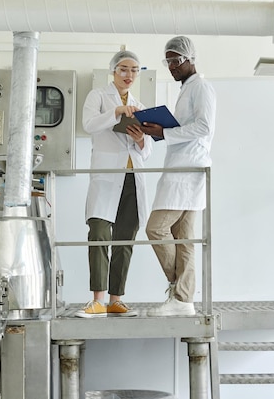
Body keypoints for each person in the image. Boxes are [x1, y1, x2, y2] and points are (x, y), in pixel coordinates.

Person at [141, 36, 216, 317]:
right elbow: (186, 128)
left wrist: (165, 133)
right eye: (168, 61)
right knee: (182, 237)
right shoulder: (187, 89)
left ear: (189, 59)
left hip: (189, 169)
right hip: (182, 168)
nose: (171, 66)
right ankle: (184, 300)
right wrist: (156, 131)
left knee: (156, 228)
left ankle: (178, 288)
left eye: (175, 61)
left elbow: (204, 127)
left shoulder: (202, 88)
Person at [76, 50, 153, 318]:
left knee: (125, 238)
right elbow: (88, 125)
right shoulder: (98, 96)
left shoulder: (140, 105)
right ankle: (97, 300)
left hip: (132, 177)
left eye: (134, 70)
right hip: (107, 175)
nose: (129, 75)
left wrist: (141, 138)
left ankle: (116, 299)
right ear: (113, 71)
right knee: (98, 233)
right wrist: (116, 112)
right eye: (123, 69)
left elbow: (147, 149)